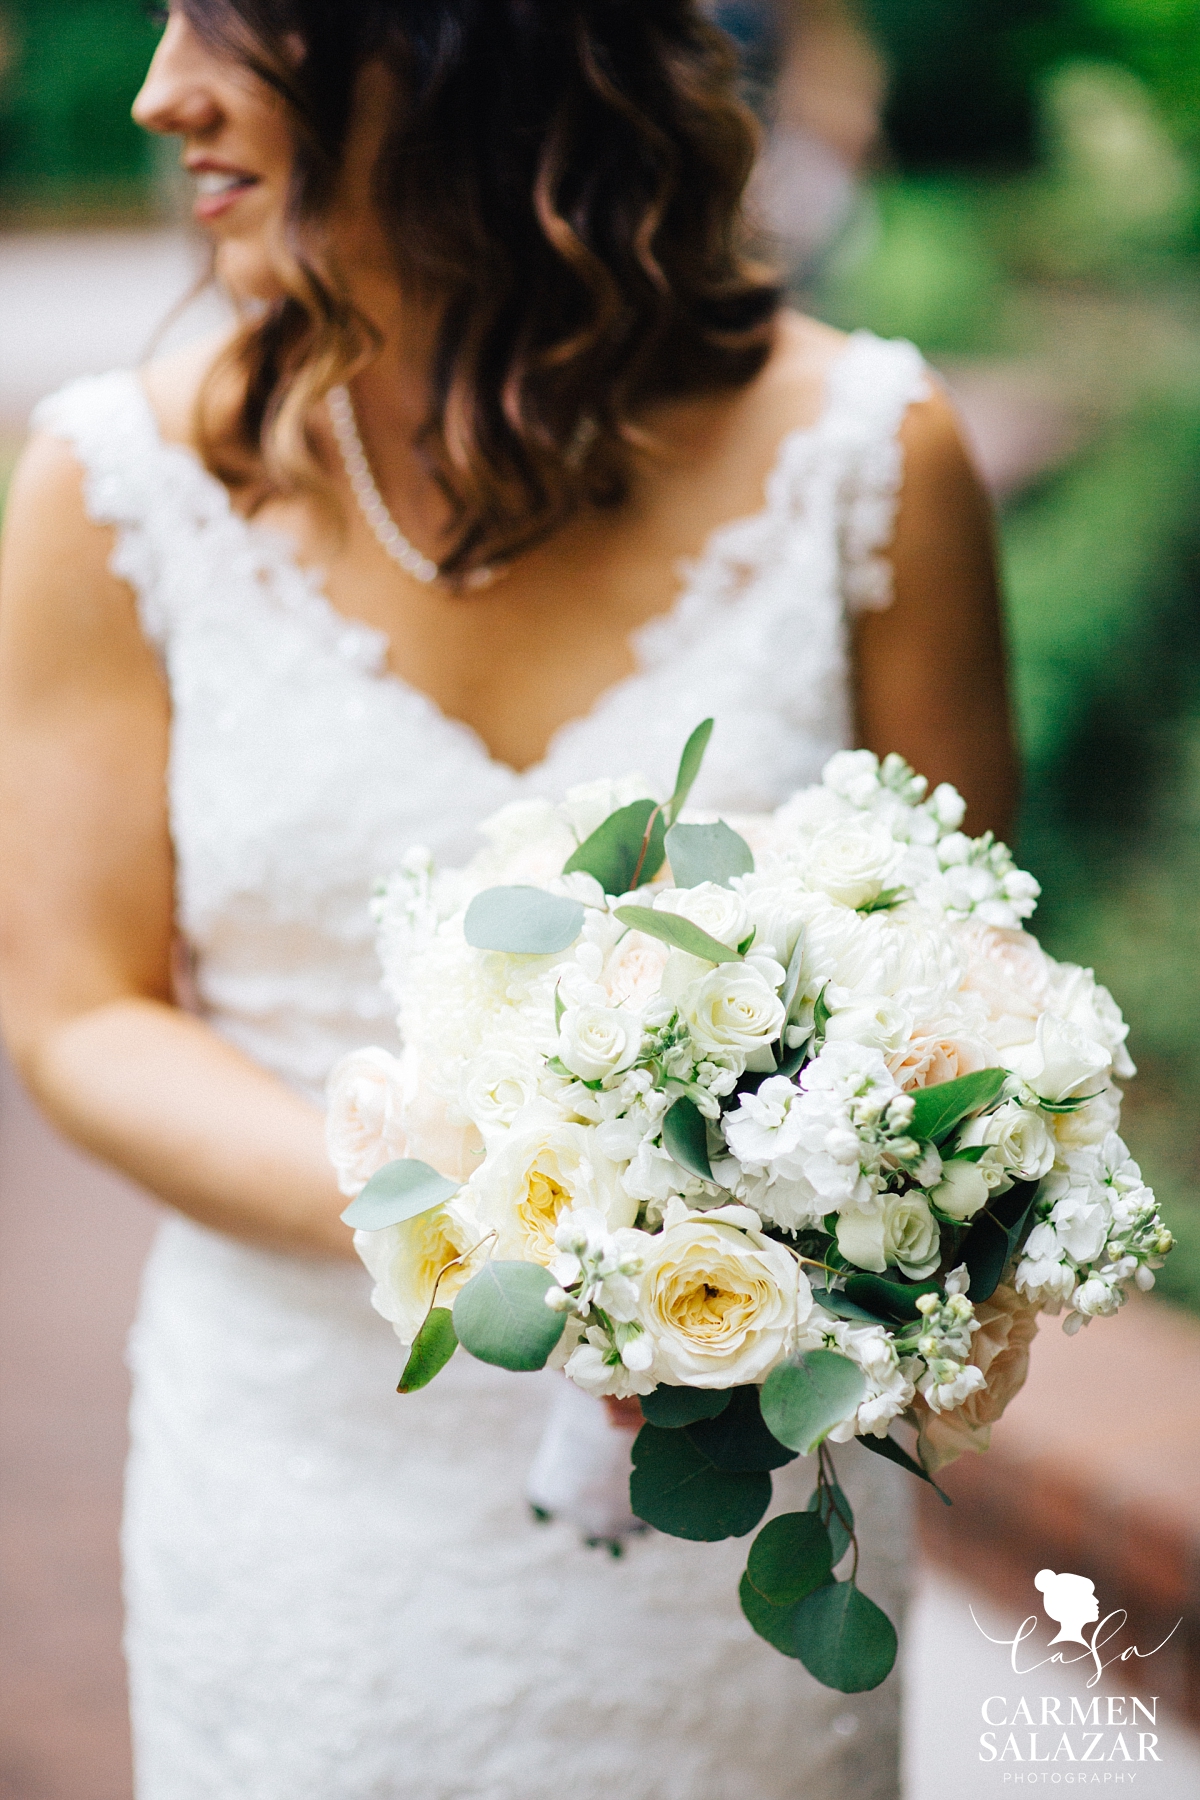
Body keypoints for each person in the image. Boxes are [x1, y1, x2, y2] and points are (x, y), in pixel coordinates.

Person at [0, 3, 1015, 1797]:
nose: (162, 90)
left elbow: (960, 988)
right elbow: (76, 1010)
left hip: (741, 1536)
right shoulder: (114, 486)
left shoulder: (873, 455)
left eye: (228, 18)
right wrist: (508, 1225)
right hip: (305, 1495)